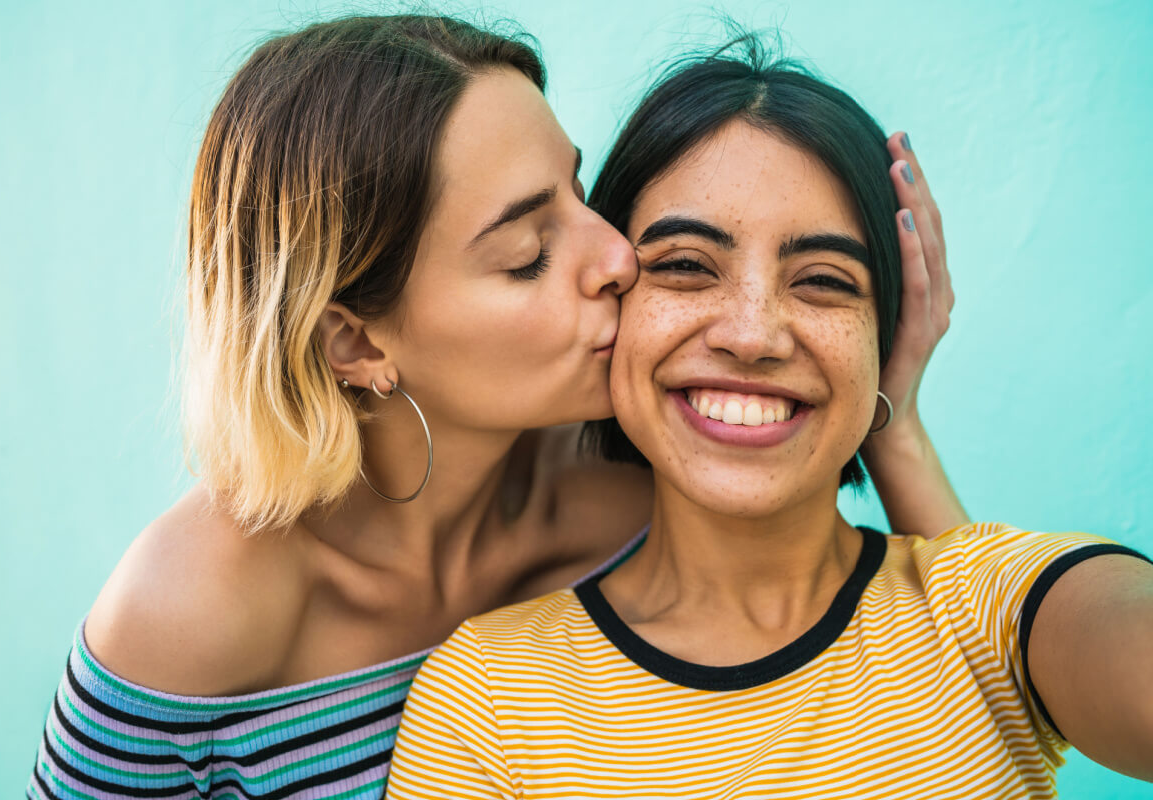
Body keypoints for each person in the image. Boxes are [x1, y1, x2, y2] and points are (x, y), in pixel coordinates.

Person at [27, 16, 966, 800]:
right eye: (527, 253)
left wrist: (894, 416)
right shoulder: (186, 613)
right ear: (355, 342)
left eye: (577, 190)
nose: (616, 258)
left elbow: (963, 675)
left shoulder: (647, 484)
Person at [383, 38, 1153, 799]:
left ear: (885, 335)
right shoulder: (485, 695)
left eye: (823, 281)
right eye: (685, 265)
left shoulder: (997, 610)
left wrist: (894, 422)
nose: (752, 335)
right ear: (611, 301)